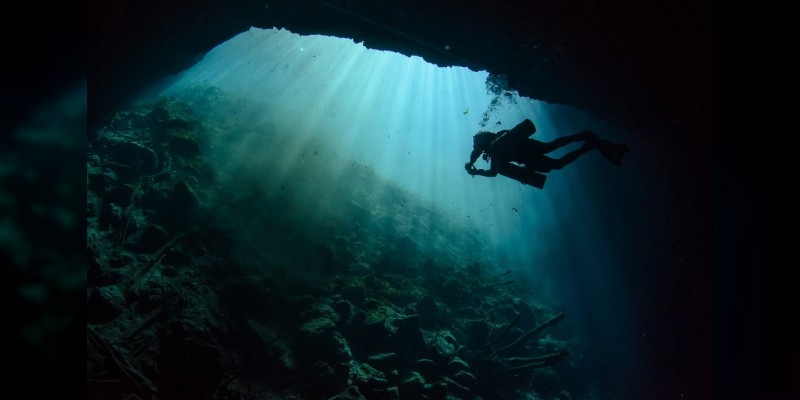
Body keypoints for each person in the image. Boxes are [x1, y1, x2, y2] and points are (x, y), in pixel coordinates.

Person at [464, 119, 629, 188]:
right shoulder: (495, 152)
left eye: (476, 143)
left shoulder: (494, 142)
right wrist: (477, 171)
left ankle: (585, 139)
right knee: (556, 159)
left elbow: (478, 152)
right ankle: (587, 145)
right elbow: (493, 173)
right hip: (528, 156)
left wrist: (472, 164)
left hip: (527, 152)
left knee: (553, 150)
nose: (477, 146)